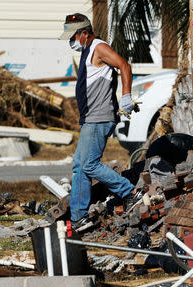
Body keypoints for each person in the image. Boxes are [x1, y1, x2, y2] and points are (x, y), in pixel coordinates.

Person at [59, 13, 143, 231]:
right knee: (80, 166)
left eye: (73, 36)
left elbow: (124, 65)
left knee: (88, 164)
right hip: (90, 118)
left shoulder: (98, 47)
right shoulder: (88, 50)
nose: (71, 41)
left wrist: (125, 96)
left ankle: (130, 193)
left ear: (84, 33)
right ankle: (79, 217)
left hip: (99, 117)